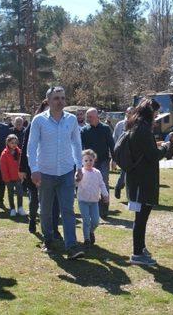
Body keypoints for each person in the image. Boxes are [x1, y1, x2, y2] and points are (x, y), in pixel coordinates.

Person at [28, 87, 84, 259]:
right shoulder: (39, 120)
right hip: (45, 172)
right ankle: (48, 240)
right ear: (48, 100)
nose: (60, 101)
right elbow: (32, 146)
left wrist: (79, 167)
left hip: (67, 171)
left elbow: (76, 144)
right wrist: (34, 169)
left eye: (62, 98)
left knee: (67, 209)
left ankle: (71, 246)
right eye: (56, 98)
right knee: (45, 210)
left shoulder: (72, 120)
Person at [126, 98, 169, 266]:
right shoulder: (143, 129)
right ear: (149, 112)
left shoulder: (137, 126)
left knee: (141, 217)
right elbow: (153, 155)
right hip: (141, 181)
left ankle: (141, 248)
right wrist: (165, 147)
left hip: (139, 179)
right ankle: (137, 253)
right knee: (141, 218)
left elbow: (145, 150)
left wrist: (156, 145)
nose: (157, 116)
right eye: (156, 112)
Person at [20, 100, 61, 235]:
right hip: (35, 168)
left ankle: (54, 229)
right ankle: (32, 220)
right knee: (35, 199)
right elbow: (25, 148)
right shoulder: (33, 125)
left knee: (54, 201)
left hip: (52, 170)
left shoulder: (59, 125)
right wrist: (22, 169)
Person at [80, 107, 115, 218]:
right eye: (87, 117)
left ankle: (104, 210)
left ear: (96, 117)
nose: (88, 119)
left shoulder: (105, 129)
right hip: (89, 163)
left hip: (104, 161)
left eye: (90, 117)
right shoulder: (84, 130)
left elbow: (111, 144)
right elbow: (81, 147)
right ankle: (91, 208)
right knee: (89, 184)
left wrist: (114, 159)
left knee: (103, 183)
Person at [77, 149, 109, 247]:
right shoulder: (80, 172)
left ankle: (91, 232)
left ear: (94, 160)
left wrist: (105, 195)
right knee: (86, 220)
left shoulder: (97, 172)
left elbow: (102, 184)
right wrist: (77, 179)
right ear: (82, 161)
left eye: (90, 160)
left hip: (94, 201)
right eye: (86, 160)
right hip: (83, 200)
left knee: (95, 221)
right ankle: (87, 239)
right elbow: (75, 183)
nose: (88, 162)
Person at [0, 134, 25, 217]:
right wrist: (6, 178)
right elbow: (3, 168)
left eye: (15, 142)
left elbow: (22, 164)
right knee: (10, 193)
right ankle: (12, 209)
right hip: (9, 179)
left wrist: (22, 174)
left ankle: (20, 208)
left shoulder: (19, 152)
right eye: (12, 143)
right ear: (8, 143)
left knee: (20, 193)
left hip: (18, 177)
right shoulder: (4, 154)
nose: (14, 144)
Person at [112, 107, 133, 199]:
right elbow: (115, 139)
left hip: (132, 152)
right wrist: (113, 156)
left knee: (128, 172)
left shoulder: (136, 124)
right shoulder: (120, 125)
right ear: (126, 113)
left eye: (133, 112)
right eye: (129, 112)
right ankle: (119, 186)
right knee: (125, 171)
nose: (130, 114)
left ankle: (120, 186)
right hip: (121, 152)